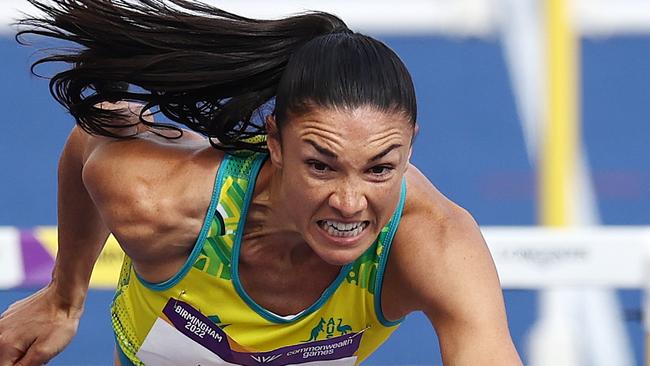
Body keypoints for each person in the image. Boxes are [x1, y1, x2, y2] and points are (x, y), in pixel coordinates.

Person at [0, 1, 522, 365]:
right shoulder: (159, 203)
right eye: (321, 165)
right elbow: (92, 133)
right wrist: (63, 297)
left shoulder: (432, 245)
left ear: (410, 148)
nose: (349, 203)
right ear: (275, 142)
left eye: (381, 169)